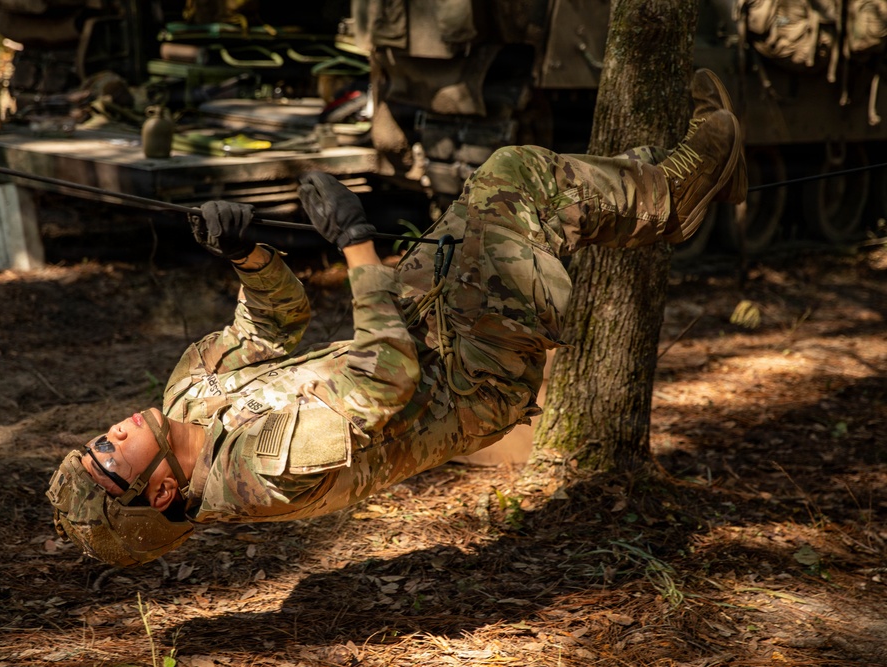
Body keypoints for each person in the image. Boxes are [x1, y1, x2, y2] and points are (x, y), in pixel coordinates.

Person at [47, 70, 747, 567]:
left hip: (416, 329)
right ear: (161, 490)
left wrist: (245, 254)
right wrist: (355, 241)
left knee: (500, 192)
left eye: (94, 441)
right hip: (474, 378)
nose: (108, 434)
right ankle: (671, 193)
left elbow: (277, 324)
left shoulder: (185, 402)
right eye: (108, 458)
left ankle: (642, 177)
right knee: (513, 180)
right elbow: (387, 379)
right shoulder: (260, 475)